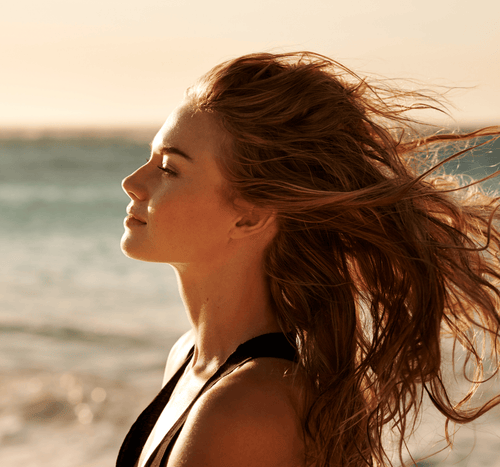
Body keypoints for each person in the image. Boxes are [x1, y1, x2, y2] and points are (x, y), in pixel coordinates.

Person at [115, 52, 500, 467]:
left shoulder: (246, 411)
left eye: (169, 168)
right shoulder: (192, 357)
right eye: (152, 159)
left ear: (250, 215)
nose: (133, 182)